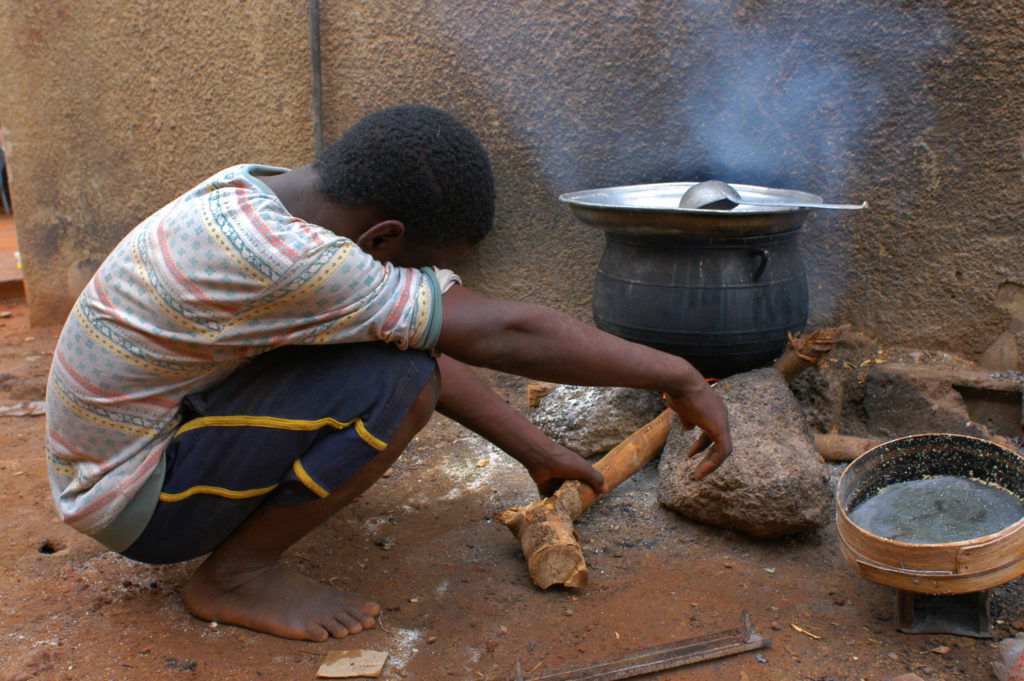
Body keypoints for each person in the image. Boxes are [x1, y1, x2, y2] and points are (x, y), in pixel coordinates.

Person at [45, 105, 732, 642]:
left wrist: (541, 454)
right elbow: (504, 332)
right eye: (412, 267)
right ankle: (237, 574)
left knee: (395, 354)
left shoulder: (256, 193)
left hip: (128, 449)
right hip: (136, 500)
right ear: (383, 240)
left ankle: (238, 540)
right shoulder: (304, 264)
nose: (409, 284)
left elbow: (418, 339)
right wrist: (681, 375)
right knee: (397, 385)